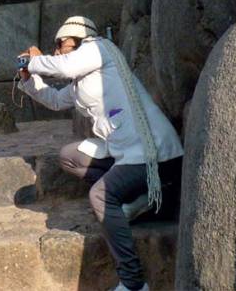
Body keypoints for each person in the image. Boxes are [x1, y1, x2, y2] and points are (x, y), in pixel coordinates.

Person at [17, 16, 183, 291]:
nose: (57, 49)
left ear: (80, 38)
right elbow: (56, 101)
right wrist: (29, 78)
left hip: (154, 152)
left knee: (100, 196)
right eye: (55, 46)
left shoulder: (99, 48)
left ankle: (133, 283)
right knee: (69, 155)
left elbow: (63, 67)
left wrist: (34, 60)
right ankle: (141, 199)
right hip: (125, 151)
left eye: (62, 43)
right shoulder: (81, 80)